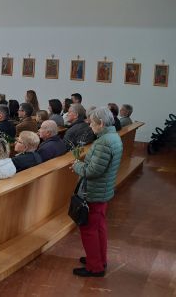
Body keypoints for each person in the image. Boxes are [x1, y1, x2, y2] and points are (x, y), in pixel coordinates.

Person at [71, 107, 122, 277]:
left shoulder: (104, 142)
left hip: (94, 192)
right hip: (102, 190)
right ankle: (99, 259)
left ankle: (95, 267)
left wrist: (77, 165)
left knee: (89, 229)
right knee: (99, 227)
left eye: (92, 123)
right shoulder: (113, 137)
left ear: (101, 123)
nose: (90, 126)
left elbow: (92, 171)